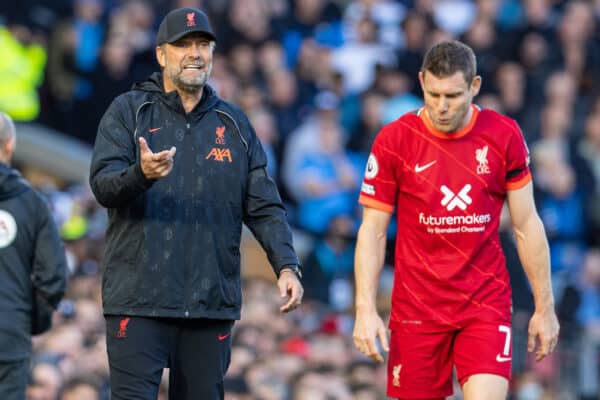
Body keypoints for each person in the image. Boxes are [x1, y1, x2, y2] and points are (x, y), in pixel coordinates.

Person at [89, 7, 303, 400]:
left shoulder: (236, 124)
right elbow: (102, 187)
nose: (194, 53)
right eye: (182, 44)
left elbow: (265, 206)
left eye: (203, 44)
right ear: (161, 54)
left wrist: (286, 265)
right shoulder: (127, 111)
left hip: (210, 306)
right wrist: (141, 174)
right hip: (138, 300)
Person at [352, 40, 560, 400]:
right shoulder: (395, 140)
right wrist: (365, 309)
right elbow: (372, 231)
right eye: (433, 94)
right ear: (421, 82)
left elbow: (527, 224)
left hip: (484, 302)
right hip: (416, 307)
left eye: (453, 95)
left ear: (475, 86)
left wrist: (545, 307)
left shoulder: (503, 135)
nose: (442, 107)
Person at [0, 112, 67, 399]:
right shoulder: (33, 204)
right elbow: (53, 277)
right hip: (9, 334)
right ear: (10, 144)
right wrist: (29, 319)